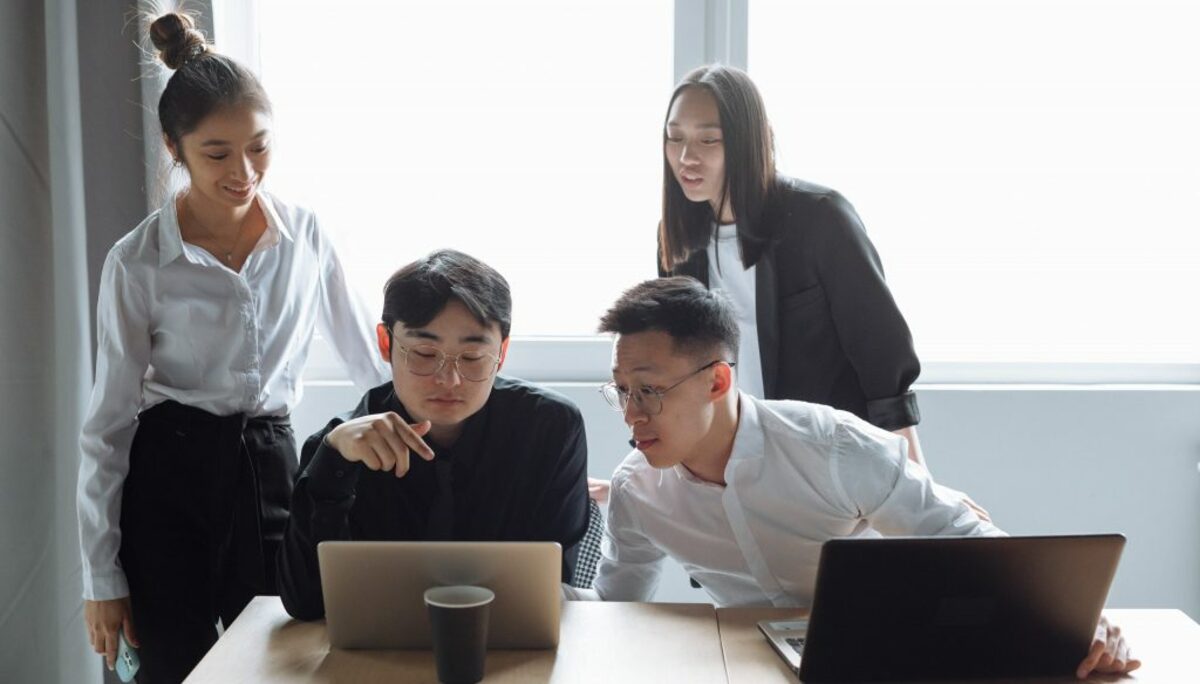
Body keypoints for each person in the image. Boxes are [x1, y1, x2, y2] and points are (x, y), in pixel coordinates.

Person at [581, 276, 1137, 680]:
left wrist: (1078, 621)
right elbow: (616, 607)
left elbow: (963, 541)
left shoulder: (831, 446)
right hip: (743, 664)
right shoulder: (637, 491)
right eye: (621, 390)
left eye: (648, 389)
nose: (631, 412)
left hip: (885, 653)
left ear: (718, 381)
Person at [77, 13, 386, 682]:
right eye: (217, 152)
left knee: (286, 660)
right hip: (167, 481)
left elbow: (371, 367)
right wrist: (101, 574)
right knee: (172, 670)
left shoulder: (306, 236)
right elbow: (106, 426)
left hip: (271, 467)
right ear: (174, 148)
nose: (244, 172)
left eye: (260, 147)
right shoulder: (137, 262)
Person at [277, 249, 590, 620]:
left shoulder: (549, 429)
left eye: (472, 357)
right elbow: (305, 604)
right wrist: (332, 466)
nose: (448, 379)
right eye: (425, 353)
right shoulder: (340, 448)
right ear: (385, 343)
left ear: (502, 352)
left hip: (505, 647)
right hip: (378, 653)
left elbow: (551, 584)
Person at [658, 64, 927, 465]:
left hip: (830, 459)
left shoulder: (820, 218)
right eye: (674, 137)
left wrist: (916, 487)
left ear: (746, 142)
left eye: (709, 140)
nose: (685, 157)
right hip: (738, 462)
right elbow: (677, 369)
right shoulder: (680, 241)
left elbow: (882, 361)